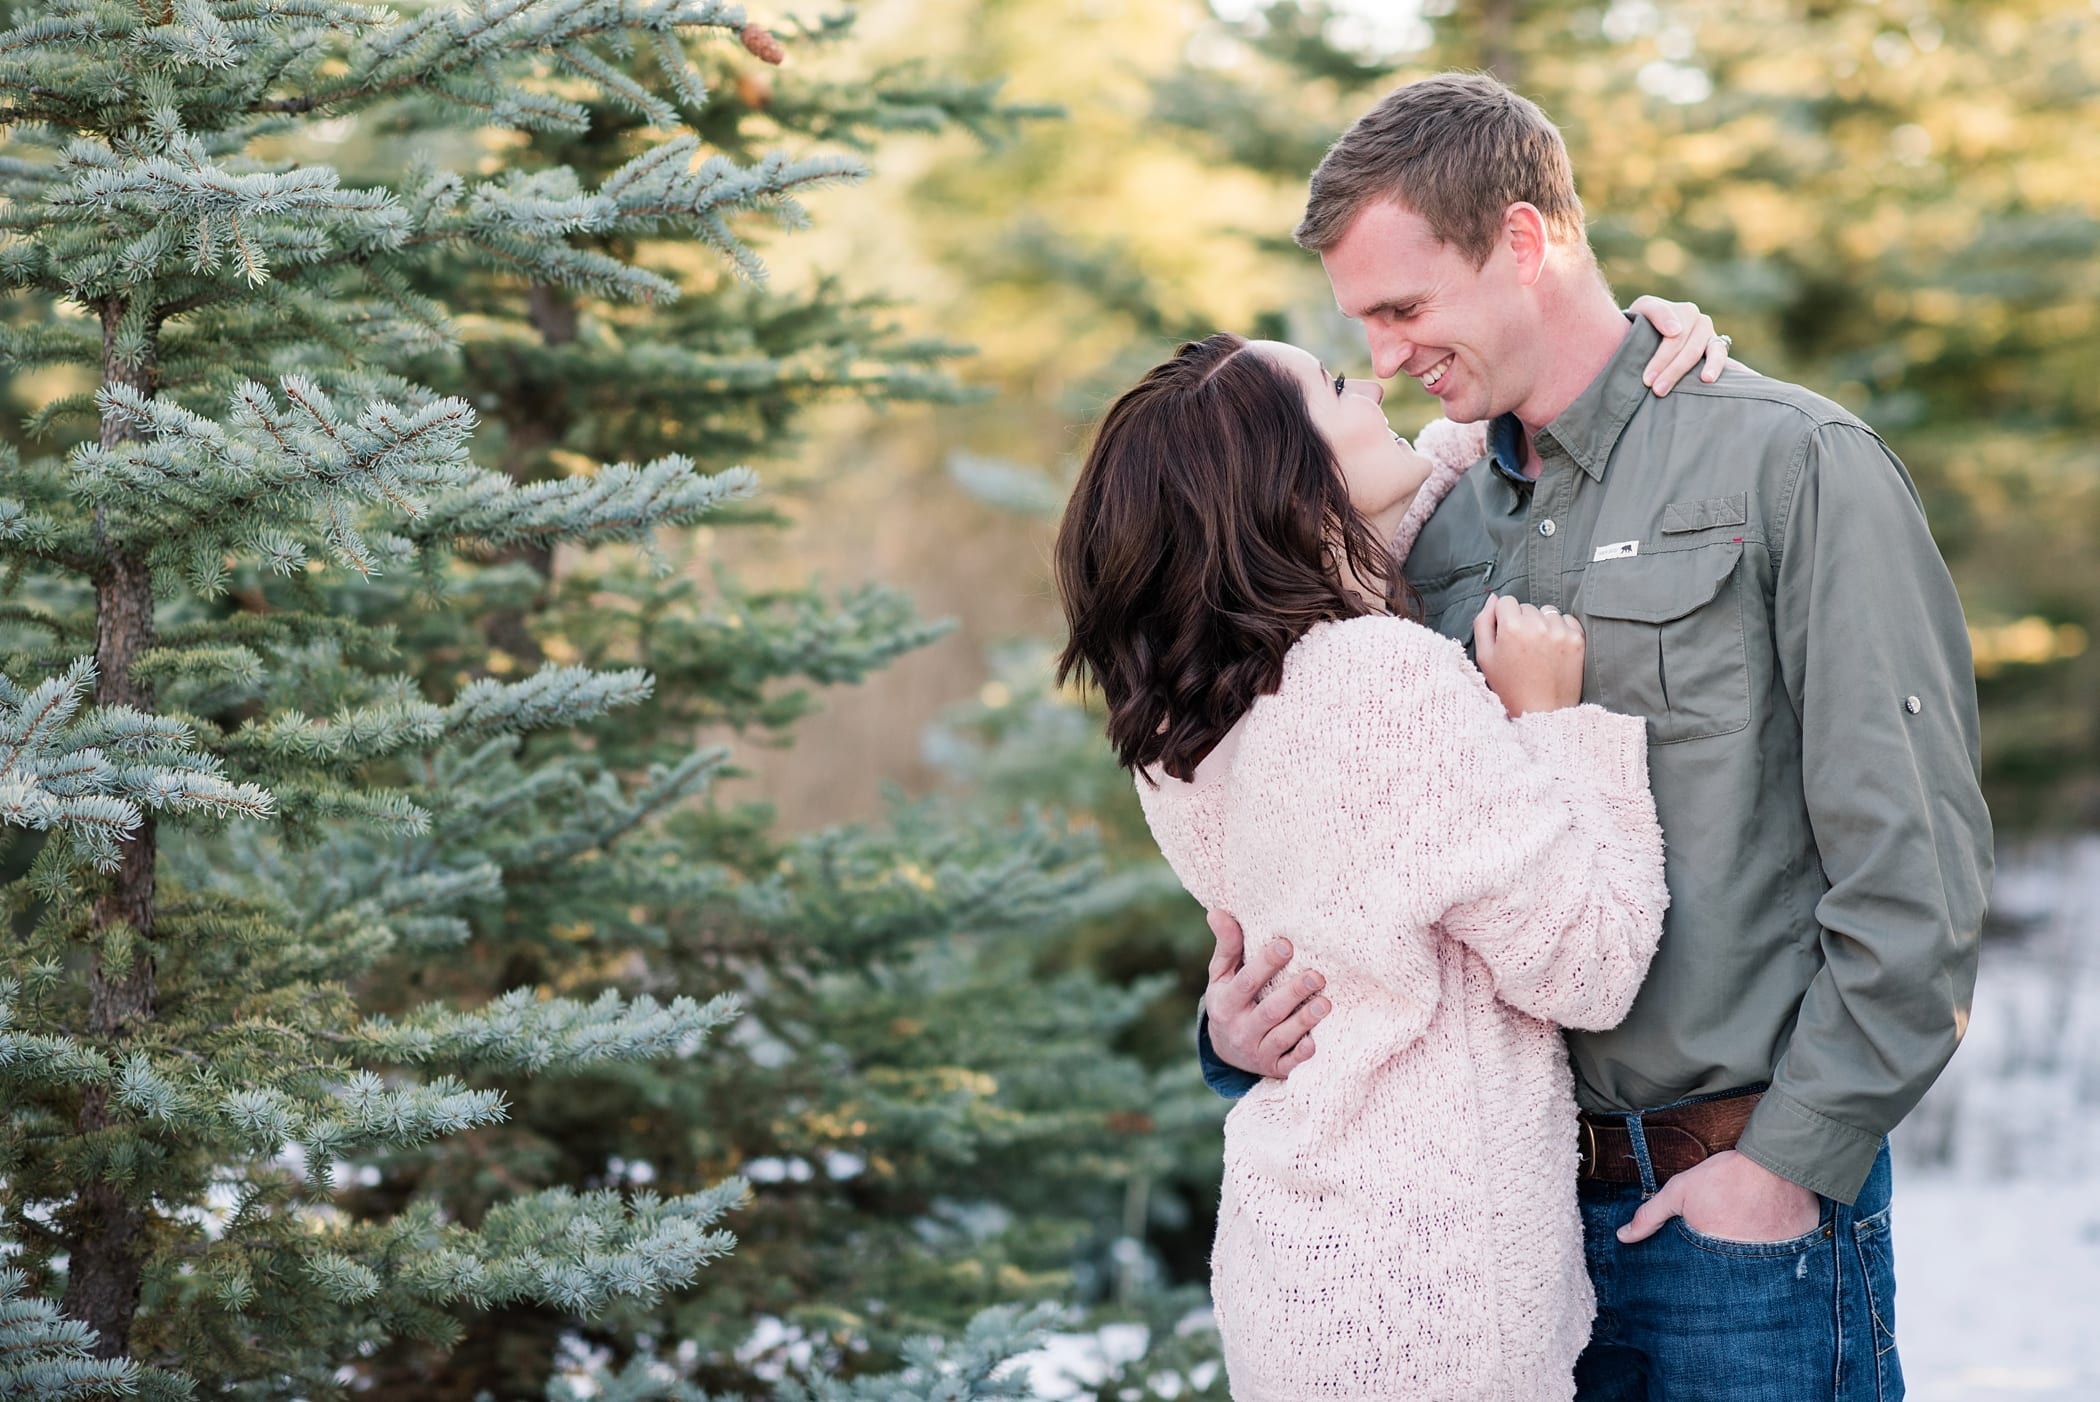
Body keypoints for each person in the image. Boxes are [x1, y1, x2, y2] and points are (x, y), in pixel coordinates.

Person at [1199, 72, 1993, 1401]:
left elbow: (1918, 864)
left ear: (1526, 239)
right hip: (1486, 1259)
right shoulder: (1421, 524)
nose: (1387, 360)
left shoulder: (1788, 465)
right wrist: (1230, 1032)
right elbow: (1325, 845)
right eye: (1362, 327)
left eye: (1405, 310)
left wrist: (1793, 1161)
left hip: (1732, 1231)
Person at [1053, 300, 1725, 1399]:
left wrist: (1613, 335)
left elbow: (1364, 546)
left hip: (1302, 1266)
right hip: (1433, 1297)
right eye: (1332, 389)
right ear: (1285, 484)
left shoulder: (1190, 725)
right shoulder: (1376, 681)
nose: (1372, 384)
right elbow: (1591, 966)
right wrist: (1554, 720)